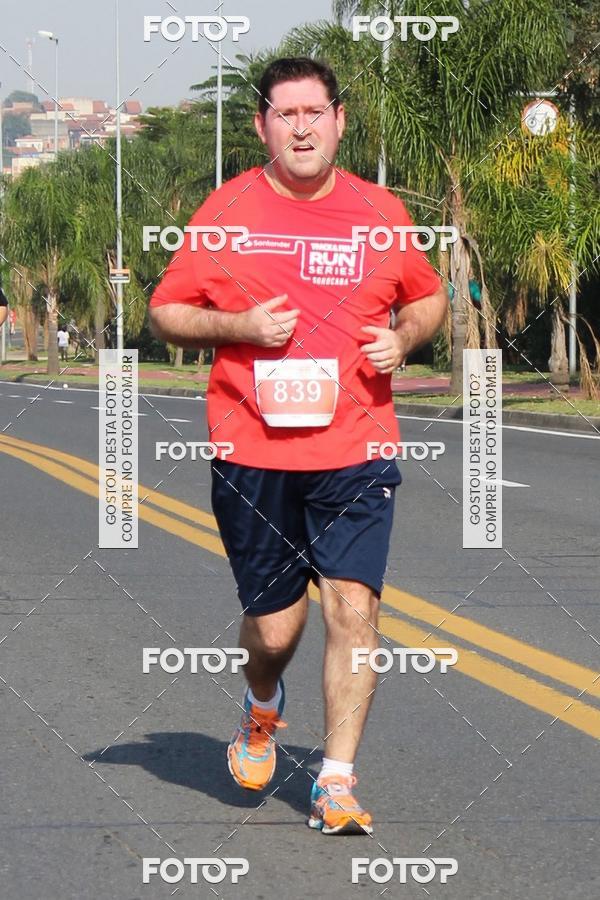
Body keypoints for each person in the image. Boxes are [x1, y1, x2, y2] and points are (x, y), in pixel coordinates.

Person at [149, 57, 447, 835]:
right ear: (263, 126)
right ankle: (261, 704)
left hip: (357, 449)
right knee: (276, 630)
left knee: (355, 609)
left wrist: (403, 338)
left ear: (340, 120)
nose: (303, 127)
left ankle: (337, 780)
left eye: (316, 112)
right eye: (287, 115)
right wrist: (238, 328)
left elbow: (428, 296)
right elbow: (168, 313)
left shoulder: (380, 211)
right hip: (254, 453)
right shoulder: (228, 211)